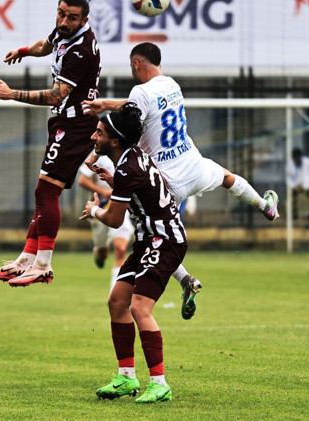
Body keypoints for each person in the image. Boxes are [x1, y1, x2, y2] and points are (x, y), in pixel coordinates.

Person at [85, 42, 279, 319]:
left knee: (153, 237)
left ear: (137, 64)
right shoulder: (172, 85)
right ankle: (264, 206)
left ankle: (185, 279)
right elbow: (138, 107)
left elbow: (130, 116)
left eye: (131, 66)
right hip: (193, 165)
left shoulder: (139, 92)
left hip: (165, 181)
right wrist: (110, 103)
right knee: (226, 177)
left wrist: (98, 142)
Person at [0, 0, 101, 287]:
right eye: (61, 13)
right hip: (65, 122)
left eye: (71, 17)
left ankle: (43, 264)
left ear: (84, 20)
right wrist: (23, 51)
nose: (63, 21)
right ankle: (26, 259)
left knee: (46, 192)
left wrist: (12, 95)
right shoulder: (65, 30)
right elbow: (45, 46)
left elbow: (56, 94)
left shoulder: (81, 50)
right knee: (43, 193)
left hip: (76, 126)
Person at [79, 103, 182, 404]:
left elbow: (113, 219)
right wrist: (113, 182)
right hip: (150, 240)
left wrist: (94, 210)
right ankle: (126, 376)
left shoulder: (126, 166)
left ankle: (160, 383)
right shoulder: (132, 158)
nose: (93, 137)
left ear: (114, 140)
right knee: (117, 301)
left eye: (99, 133)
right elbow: (138, 189)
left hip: (166, 240)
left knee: (139, 307)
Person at [77, 154, 134, 291]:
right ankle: (99, 251)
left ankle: (115, 294)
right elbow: (82, 180)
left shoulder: (129, 153)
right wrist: (103, 191)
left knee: (120, 249)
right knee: (103, 251)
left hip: (120, 204)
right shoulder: (97, 154)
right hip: (101, 206)